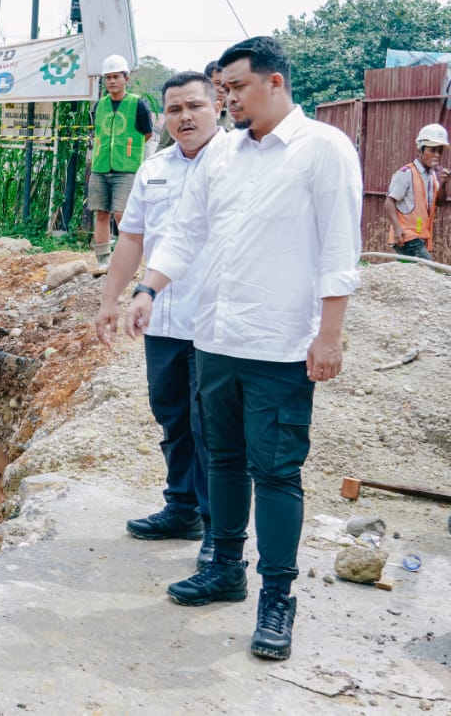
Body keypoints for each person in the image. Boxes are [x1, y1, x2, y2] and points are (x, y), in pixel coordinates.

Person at [122, 36, 362, 662]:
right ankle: (223, 568)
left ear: (275, 83)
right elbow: (184, 234)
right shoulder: (223, 156)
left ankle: (276, 599)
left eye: (235, 88)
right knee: (222, 459)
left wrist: (329, 335)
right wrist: (149, 287)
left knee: (277, 472)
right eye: (221, 89)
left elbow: (340, 251)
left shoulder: (323, 151)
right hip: (217, 340)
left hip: (281, 344)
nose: (225, 100)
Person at [95, 72, 222, 569]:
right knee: (171, 416)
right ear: (163, 117)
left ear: (219, 107)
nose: (185, 117)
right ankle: (182, 508)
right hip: (163, 320)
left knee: (211, 426)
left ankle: (219, 530)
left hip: (217, 323)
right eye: (174, 109)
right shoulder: (155, 169)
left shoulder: (236, 164)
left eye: (195, 106)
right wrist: (111, 298)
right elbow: (133, 239)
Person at [89, 53, 155, 273]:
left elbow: (146, 134)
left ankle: (127, 259)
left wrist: (127, 150)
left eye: (116, 76)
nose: (111, 81)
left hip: (126, 169)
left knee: (122, 214)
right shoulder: (100, 105)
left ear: (126, 78)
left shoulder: (137, 104)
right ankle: (102, 260)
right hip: (100, 167)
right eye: (108, 78)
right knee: (101, 213)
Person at [384, 123, 449, 261]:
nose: (437, 155)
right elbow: (389, 202)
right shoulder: (406, 173)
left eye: (440, 151)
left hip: (419, 237)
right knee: (427, 270)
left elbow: (440, 203)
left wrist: (443, 184)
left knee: (411, 276)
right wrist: (397, 229)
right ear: (420, 150)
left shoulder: (431, 177)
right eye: (432, 150)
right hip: (406, 237)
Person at [204, 61, 236, 132]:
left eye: (225, 85)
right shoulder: (193, 113)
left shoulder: (235, 115)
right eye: (217, 83)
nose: (222, 90)